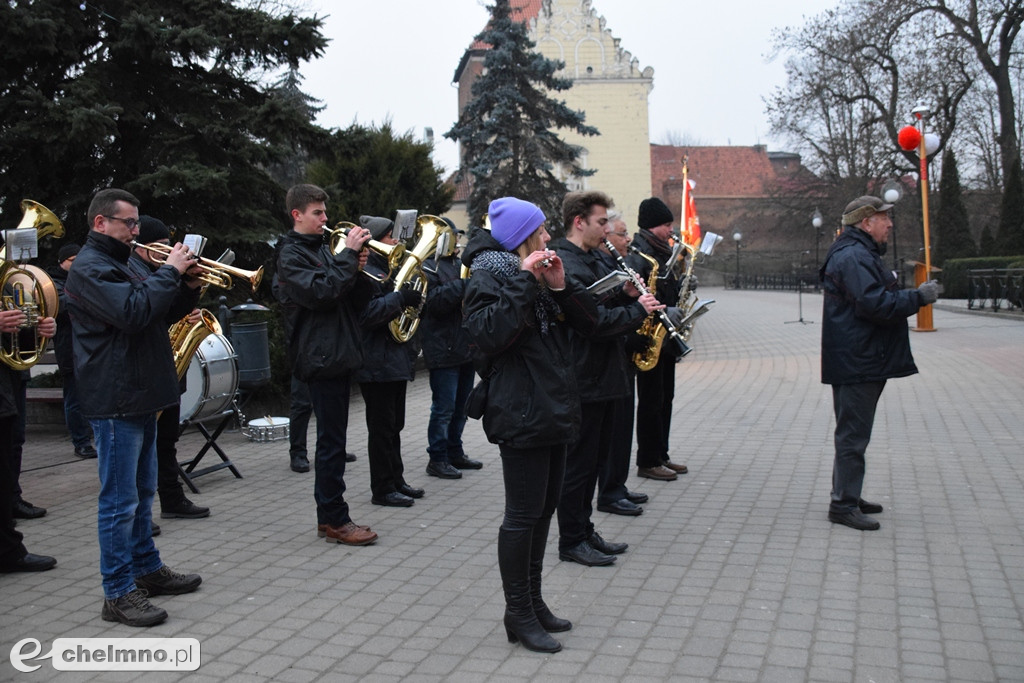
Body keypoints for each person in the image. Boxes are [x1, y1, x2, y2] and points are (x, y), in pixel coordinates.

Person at [462, 196, 599, 654]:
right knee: (522, 515)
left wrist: (560, 288)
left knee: (544, 511)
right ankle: (518, 611)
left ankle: (533, 603)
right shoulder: (489, 273)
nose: (547, 237)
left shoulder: (539, 273)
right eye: (539, 231)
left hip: (552, 407)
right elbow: (487, 334)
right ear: (521, 237)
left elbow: (590, 325)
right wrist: (525, 282)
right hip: (520, 410)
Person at [65, 188, 203, 627]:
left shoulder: (123, 260)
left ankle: (147, 568)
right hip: (116, 398)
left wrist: (188, 285)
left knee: (143, 494)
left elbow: (157, 312)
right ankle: (118, 592)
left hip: (142, 392)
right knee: (119, 502)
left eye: (137, 223)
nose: (137, 231)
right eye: (129, 223)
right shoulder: (89, 269)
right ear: (100, 223)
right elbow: (132, 312)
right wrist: (168, 271)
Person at [550, 192, 661, 567]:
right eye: (601, 223)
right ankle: (571, 540)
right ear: (579, 221)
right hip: (583, 375)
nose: (608, 229)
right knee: (578, 466)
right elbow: (591, 323)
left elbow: (600, 305)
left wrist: (625, 293)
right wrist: (635, 308)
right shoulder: (566, 262)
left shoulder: (594, 257)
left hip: (604, 373)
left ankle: (584, 530)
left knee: (594, 461)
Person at [821, 195, 939, 531]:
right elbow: (873, 303)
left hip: (860, 357)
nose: (889, 225)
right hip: (857, 359)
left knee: (853, 432)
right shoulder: (853, 256)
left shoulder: (857, 253)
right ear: (866, 222)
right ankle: (842, 505)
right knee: (853, 435)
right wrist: (918, 297)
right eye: (884, 219)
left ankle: (847, 494)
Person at [275, 184, 378, 546]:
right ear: (297, 215)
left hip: (336, 352)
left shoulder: (318, 249)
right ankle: (336, 519)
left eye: (324, 212)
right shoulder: (290, 255)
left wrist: (357, 269)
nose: (325, 218)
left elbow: (349, 300)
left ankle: (327, 517)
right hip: (321, 357)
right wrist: (347, 258)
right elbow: (321, 293)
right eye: (317, 213)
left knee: (333, 440)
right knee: (331, 445)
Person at [129, 216, 210, 521]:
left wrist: (190, 288)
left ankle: (172, 498)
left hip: (166, 367)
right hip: (145, 372)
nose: (165, 251)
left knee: (167, 440)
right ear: (141, 248)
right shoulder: (138, 274)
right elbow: (147, 312)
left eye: (167, 245)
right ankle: (140, 516)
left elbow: (169, 311)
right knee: (145, 446)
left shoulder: (161, 273)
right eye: (158, 246)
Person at [355, 215, 424, 507]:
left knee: (395, 426)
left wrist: (414, 299)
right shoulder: (365, 272)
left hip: (394, 360)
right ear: (375, 241)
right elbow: (367, 315)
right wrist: (400, 299)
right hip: (376, 362)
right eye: (390, 237)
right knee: (382, 429)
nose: (396, 242)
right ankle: (382, 489)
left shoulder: (392, 268)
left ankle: (397, 479)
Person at [626, 197, 690, 481]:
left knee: (666, 397)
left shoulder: (663, 250)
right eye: (666, 225)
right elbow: (641, 293)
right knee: (651, 400)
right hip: (650, 335)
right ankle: (648, 460)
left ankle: (661, 454)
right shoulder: (640, 254)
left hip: (666, 336)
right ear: (652, 226)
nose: (671, 229)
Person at [595, 212, 651, 515]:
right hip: (610, 359)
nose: (627, 239)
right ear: (607, 238)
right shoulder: (601, 265)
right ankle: (609, 492)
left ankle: (617, 484)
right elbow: (601, 317)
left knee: (622, 429)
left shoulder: (615, 263)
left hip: (621, 359)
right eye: (622, 233)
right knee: (613, 433)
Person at [421, 220, 481, 480]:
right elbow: (433, 302)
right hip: (442, 347)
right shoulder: (426, 266)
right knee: (443, 408)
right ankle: (437, 458)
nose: (457, 241)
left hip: (465, 346)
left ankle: (455, 451)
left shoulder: (459, 265)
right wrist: (464, 283)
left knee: (462, 407)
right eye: (453, 237)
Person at [0, 307, 57, 572]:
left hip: (6, 386)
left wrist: (35, 333)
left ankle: (8, 549)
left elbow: (10, 336)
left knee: (6, 469)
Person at [47, 243, 97, 459]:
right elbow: (62, 307)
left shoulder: (81, 280)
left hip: (90, 348)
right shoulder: (52, 284)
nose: (77, 265)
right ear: (62, 263)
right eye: (72, 261)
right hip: (70, 349)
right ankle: (81, 442)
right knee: (75, 398)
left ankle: (92, 436)